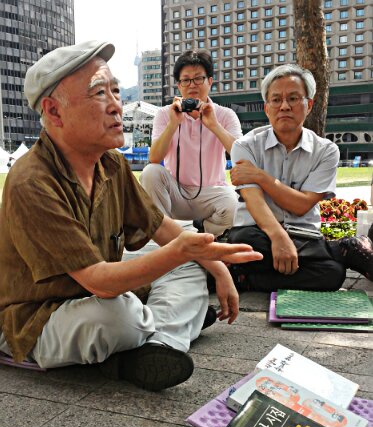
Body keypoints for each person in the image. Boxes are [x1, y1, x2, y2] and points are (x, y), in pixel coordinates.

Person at [0, 41, 262, 392]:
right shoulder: (32, 181)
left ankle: (157, 346)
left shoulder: (111, 163)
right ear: (54, 111)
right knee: (118, 315)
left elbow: (163, 228)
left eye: (116, 91)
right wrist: (183, 252)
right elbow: (100, 282)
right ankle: (169, 330)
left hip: (98, 289)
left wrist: (215, 267)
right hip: (40, 315)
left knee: (185, 264)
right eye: (98, 93)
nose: (115, 105)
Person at [226, 64, 373, 292]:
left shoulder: (326, 150)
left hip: (303, 235)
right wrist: (277, 236)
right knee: (245, 241)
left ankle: (244, 278)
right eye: (276, 100)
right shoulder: (245, 146)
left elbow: (302, 205)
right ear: (266, 108)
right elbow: (253, 201)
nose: (284, 106)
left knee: (333, 275)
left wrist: (261, 176)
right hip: (259, 233)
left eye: (293, 98)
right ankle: (337, 250)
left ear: (309, 105)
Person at [140, 49, 242, 237]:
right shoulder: (165, 114)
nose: (192, 85)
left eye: (198, 79)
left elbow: (240, 155)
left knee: (233, 203)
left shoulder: (225, 115)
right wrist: (173, 124)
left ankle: (208, 234)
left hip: (212, 193)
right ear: (179, 85)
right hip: (176, 193)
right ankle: (167, 237)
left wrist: (214, 125)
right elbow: (154, 158)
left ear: (209, 81)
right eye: (185, 80)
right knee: (150, 173)